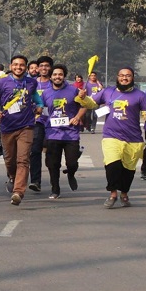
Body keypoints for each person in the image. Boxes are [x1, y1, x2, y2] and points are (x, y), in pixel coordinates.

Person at [0, 55, 44, 206]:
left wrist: (40, 104)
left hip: (27, 126)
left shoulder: (31, 82)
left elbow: (36, 97)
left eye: (22, 65)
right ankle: (12, 176)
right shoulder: (1, 83)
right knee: (10, 159)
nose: (18, 67)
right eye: (15, 64)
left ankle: (18, 192)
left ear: (26, 67)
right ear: (11, 66)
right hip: (7, 127)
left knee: (23, 159)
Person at [94, 67, 146, 208]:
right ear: (117, 77)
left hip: (133, 138)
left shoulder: (140, 95)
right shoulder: (107, 91)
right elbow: (91, 102)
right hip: (111, 135)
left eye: (128, 76)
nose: (125, 78)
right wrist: (81, 98)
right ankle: (113, 194)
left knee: (128, 169)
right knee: (112, 165)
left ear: (133, 78)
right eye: (122, 76)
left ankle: (124, 193)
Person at [42, 64, 93, 199]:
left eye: (60, 74)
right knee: (53, 164)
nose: (57, 77)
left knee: (72, 162)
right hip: (53, 132)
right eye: (55, 74)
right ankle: (55, 189)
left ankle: (71, 173)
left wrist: (77, 117)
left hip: (71, 133)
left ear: (64, 76)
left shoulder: (74, 90)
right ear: (51, 77)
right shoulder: (46, 93)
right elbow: (41, 109)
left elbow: (85, 106)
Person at [28, 55, 53, 192]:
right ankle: (35, 181)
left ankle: (54, 179)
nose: (44, 68)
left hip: (53, 122)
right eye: (41, 66)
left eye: (47, 66)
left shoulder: (55, 83)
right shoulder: (31, 83)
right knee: (35, 150)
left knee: (52, 153)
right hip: (36, 121)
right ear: (37, 68)